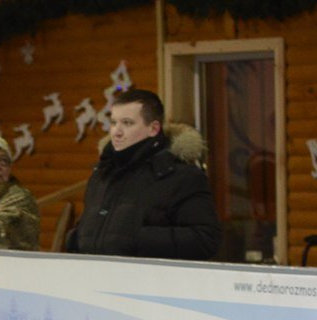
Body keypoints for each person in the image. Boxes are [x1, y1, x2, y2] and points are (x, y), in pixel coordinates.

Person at [66, 88, 220, 260]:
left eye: (127, 123)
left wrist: (137, 239)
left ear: (153, 128)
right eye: (114, 122)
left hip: (150, 283)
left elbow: (205, 239)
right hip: (94, 279)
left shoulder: (181, 177)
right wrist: (75, 239)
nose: (116, 132)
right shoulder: (102, 173)